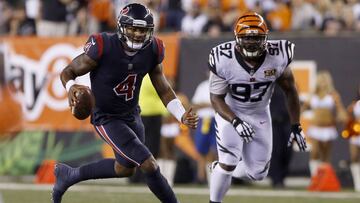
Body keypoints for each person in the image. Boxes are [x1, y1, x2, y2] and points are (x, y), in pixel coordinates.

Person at [53, 3, 198, 203]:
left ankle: (70, 175)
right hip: (106, 116)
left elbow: (163, 88)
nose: (138, 34)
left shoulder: (153, 49)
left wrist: (180, 114)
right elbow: (68, 71)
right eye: (133, 28)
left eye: (143, 30)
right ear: (122, 27)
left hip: (131, 114)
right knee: (149, 164)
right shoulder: (103, 45)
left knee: (124, 169)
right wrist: (70, 86)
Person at [207, 11, 307, 203]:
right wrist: (235, 121)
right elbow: (216, 99)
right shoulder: (222, 58)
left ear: (266, 38)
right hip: (230, 111)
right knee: (228, 161)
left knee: (258, 174)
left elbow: (291, 91)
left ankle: (219, 168)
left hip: (260, 112)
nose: (252, 42)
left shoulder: (278, 55)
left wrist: (296, 125)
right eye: (247, 38)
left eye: (257, 38)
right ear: (236, 38)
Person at [302, 70, 347, 177]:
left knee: (325, 155)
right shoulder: (312, 95)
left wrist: (341, 116)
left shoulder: (333, 95)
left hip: (328, 128)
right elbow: (303, 109)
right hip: (315, 128)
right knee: (315, 152)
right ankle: (315, 177)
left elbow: (341, 111)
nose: (322, 83)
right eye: (320, 80)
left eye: (324, 80)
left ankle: (324, 178)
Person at [191, 77, 217, 184]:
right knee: (201, 149)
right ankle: (201, 177)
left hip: (217, 119)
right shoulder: (202, 86)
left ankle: (213, 178)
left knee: (215, 150)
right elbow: (194, 105)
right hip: (204, 120)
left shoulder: (223, 84)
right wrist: (209, 104)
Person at [344, 84, 360, 192]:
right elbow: (347, 117)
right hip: (357, 133)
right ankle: (357, 183)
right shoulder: (355, 104)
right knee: (354, 157)